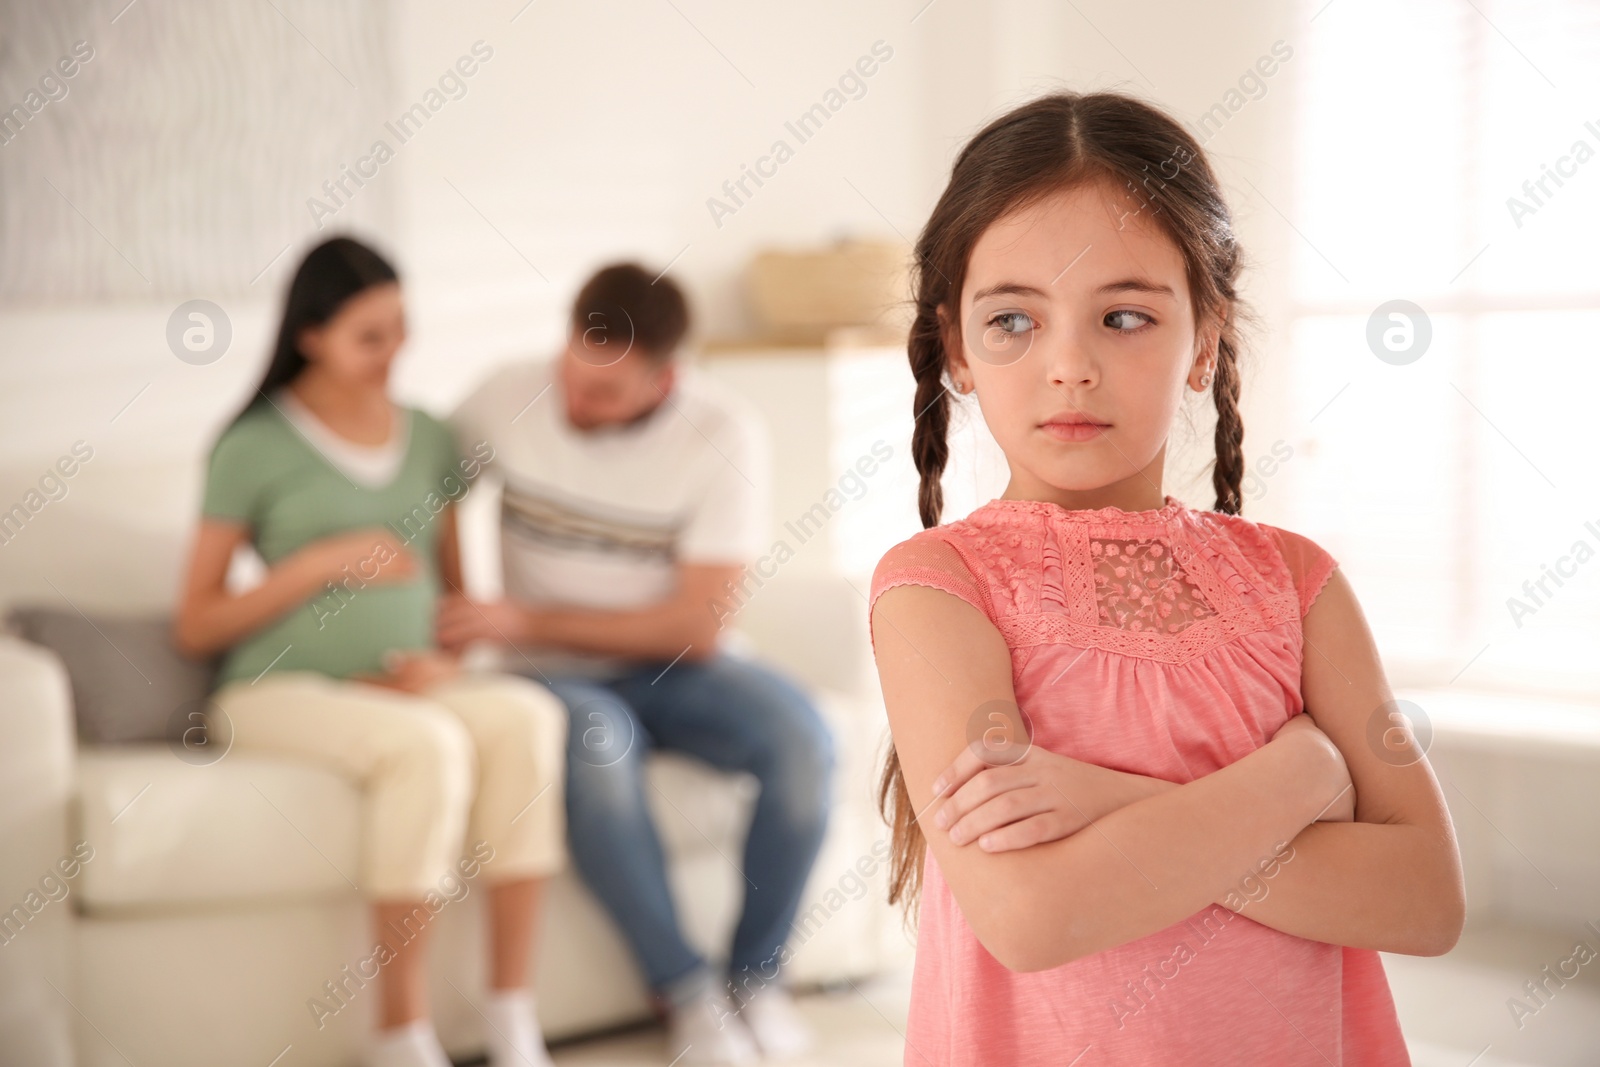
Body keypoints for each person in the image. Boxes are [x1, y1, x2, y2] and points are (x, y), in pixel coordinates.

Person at [868, 92, 1466, 1065]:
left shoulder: (1294, 579)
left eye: (1123, 315)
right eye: (1013, 317)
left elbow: (1424, 897)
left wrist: (1102, 803)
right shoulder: (937, 586)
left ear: (1204, 338)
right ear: (956, 347)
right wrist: (1299, 772)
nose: (1068, 364)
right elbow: (1033, 913)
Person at [172, 236, 568, 1067]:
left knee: (528, 717)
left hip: (407, 682)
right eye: (369, 335)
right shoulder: (251, 445)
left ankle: (510, 1015)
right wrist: (320, 561)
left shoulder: (429, 438)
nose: (394, 352)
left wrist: (449, 666)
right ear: (309, 335)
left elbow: (458, 599)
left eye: (400, 328)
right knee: (424, 748)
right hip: (277, 689)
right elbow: (196, 623)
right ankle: (402, 1034)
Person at [440, 263, 835, 1065]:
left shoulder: (723, 432)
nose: (578, 405)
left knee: (804, 741)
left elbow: (699, 627)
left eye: (607, 394)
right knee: (598, 746)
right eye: (575, 378)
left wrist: (524, 614)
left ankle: (757, 977)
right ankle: (688, 994)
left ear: (667, 379)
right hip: (547, 673)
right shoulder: (505, 394)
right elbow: (426, 489)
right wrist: (458, 594)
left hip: (678, 666)